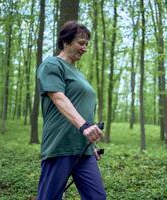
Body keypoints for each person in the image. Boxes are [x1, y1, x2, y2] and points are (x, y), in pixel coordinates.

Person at [36, 21, 107, 200]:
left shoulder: (78, 74)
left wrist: (92, 142)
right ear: (66, 42)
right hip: (60, 145)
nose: (85, 48)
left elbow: (82, 108)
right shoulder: (52, 64)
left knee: (97, 197)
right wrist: (84, 127)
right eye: (81, 43)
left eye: (87, 44)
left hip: (84, 149)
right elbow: (58, 97)